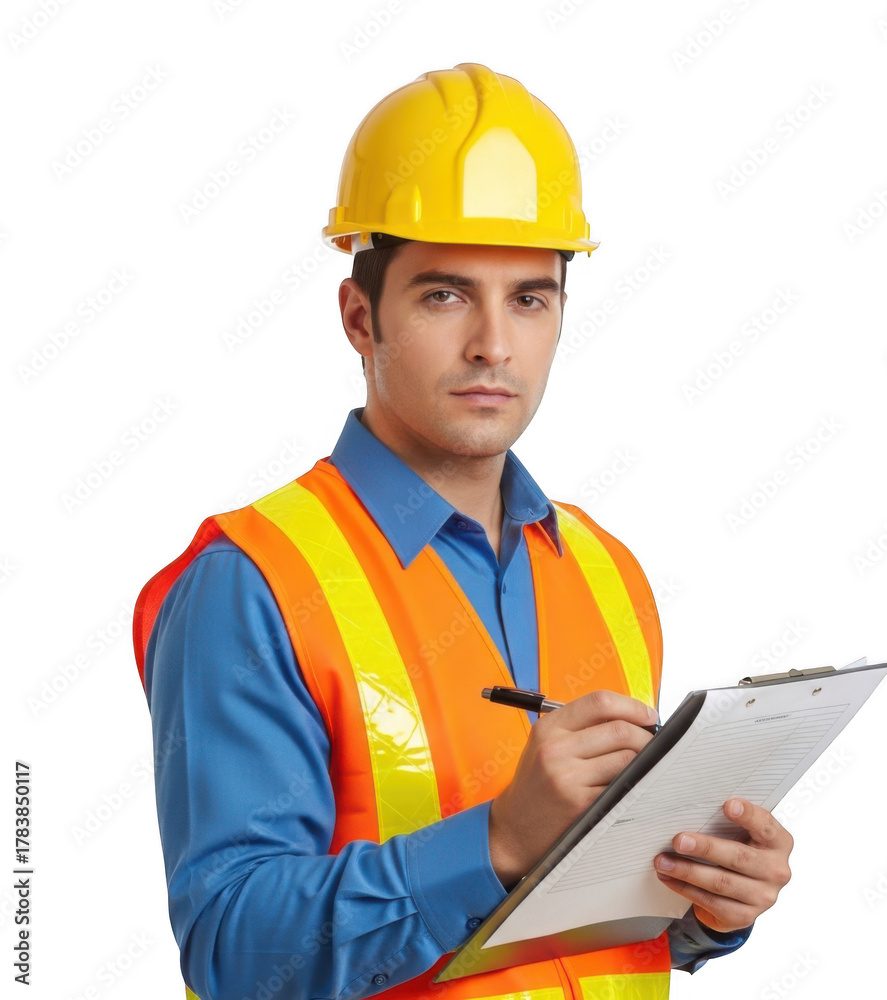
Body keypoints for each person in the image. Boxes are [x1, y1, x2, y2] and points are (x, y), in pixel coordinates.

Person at [132, 63, 793, 1000]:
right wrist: (492, 842)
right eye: (445, 295)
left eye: (529, 297)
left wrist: (702, 906)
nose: (494, 343)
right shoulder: (252, 583)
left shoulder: (606, 573)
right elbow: (236, 953)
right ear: (362, 319)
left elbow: (571, 925)